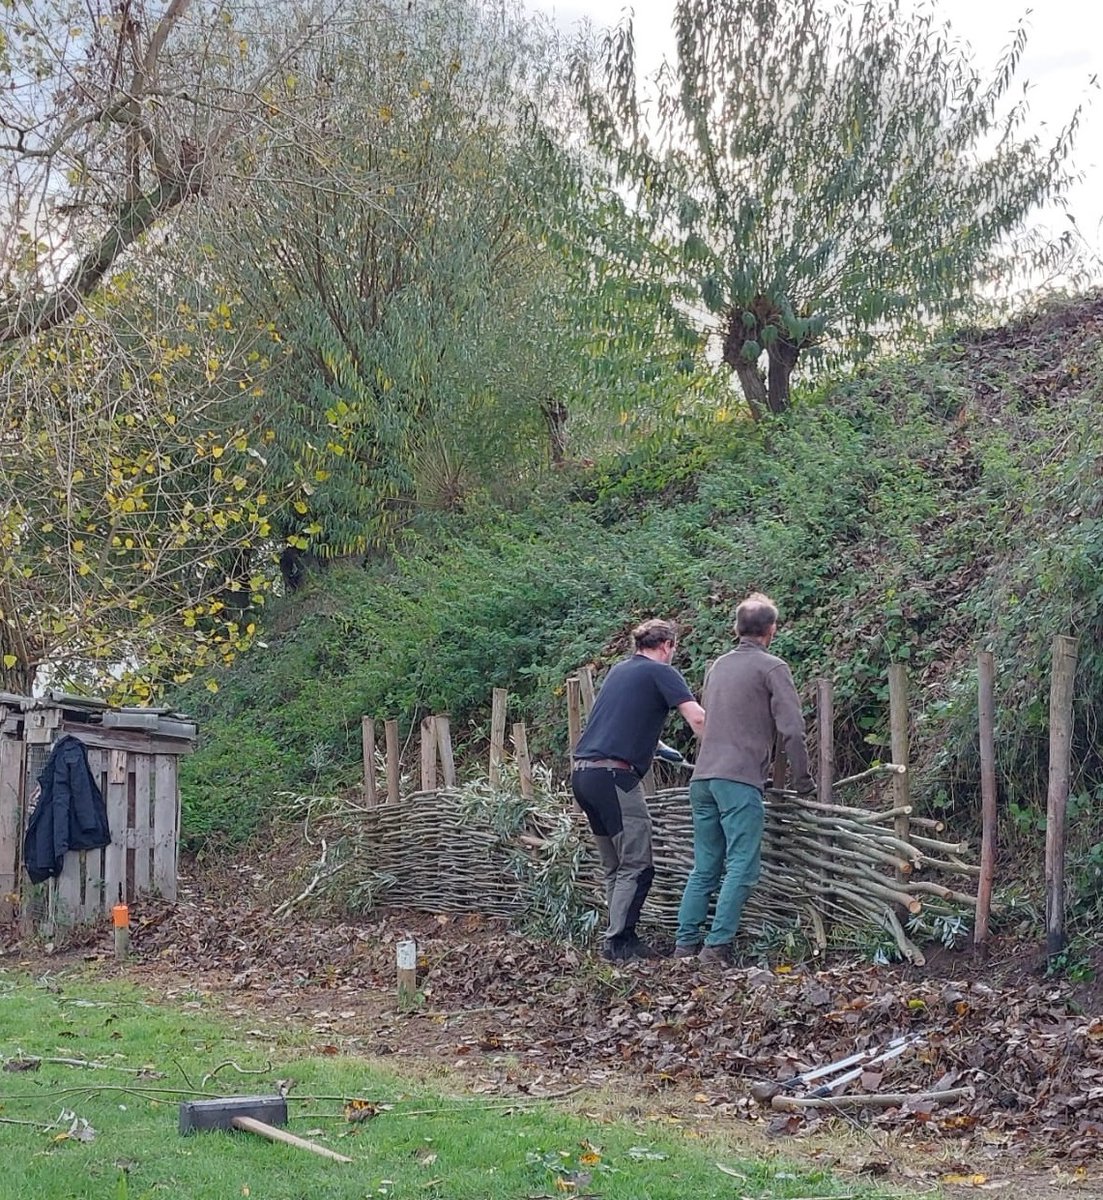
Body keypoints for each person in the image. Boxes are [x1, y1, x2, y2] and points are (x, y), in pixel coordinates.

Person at [674, 593, 813, 966]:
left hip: (703, 779)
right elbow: (793, 731)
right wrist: (803, 779)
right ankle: (716, 948)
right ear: (772, 630)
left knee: (705, 866)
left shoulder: (717, 666)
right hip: (738, 780)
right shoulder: (772, 668)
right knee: (742, 866)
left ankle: (685, 944)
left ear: (736, 629)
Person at [571, 618, 706, 963]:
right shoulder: (662, 673)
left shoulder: (619, 672)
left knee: (615, 865)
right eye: (675, 648)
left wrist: (658, 747)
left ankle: (615, 940)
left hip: (585, 776)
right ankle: (620, 942)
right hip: (615, 779)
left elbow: (619, 720)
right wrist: (724, 752)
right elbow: (699, 719)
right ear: (667, 646)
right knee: (638, 864)